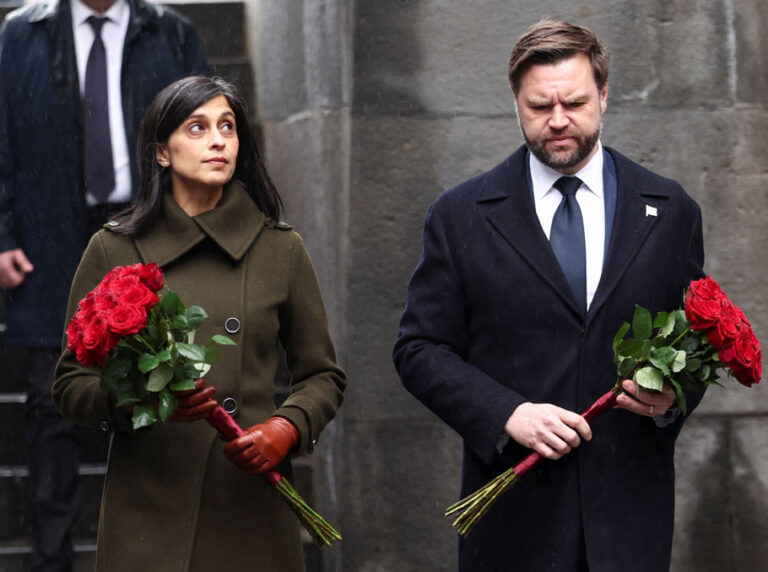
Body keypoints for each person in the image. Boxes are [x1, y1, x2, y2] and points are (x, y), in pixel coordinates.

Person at [393, 19, 705, 572]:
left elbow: (695, 344)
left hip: (629, 520)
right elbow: (419, 350)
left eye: (575, 102)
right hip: (514, 521)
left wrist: (670, 401)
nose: (558, 120)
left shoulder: (670, 209)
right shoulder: (460, 215)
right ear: (515, 102)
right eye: (539, 106)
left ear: (604, 96)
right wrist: (507, 413)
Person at [52, 75, 346, 571]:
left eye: (227, 127)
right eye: (197, 127)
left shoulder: (280, 248)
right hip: (148, 507)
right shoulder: (114, 247)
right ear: (162, 153)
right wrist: (144, 399)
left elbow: (322, 376)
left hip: (249, 501)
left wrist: (286, 427)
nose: (218, 141)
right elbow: (70, 383)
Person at [0, 0, 207, 568]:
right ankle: (51, 559)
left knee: (161, 390)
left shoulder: (169, 32)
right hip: (47, 234)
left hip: (148, 228)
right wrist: (2, 233)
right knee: (50, 400)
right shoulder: (20, 35)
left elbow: (206, 136)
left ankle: (158, 558)